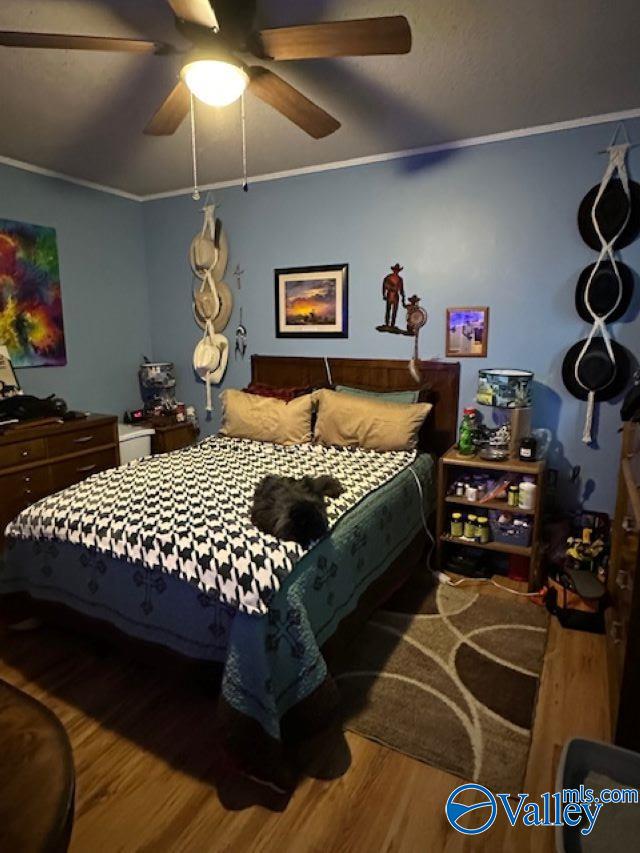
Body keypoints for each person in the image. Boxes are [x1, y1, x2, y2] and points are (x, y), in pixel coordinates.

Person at [382, 263, 406, 328]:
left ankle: (392, 325)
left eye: (397, 270)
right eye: (395, 270)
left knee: (394, 311)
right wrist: (384, 294)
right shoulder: (388, 277)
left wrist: (403, 299)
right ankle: (387, 324)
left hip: (396, 295)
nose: (396, 271)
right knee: (388, 310)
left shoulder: (400, 279)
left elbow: (401, 290)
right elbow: (384, 286)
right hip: (390, 294)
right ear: (393, 270)